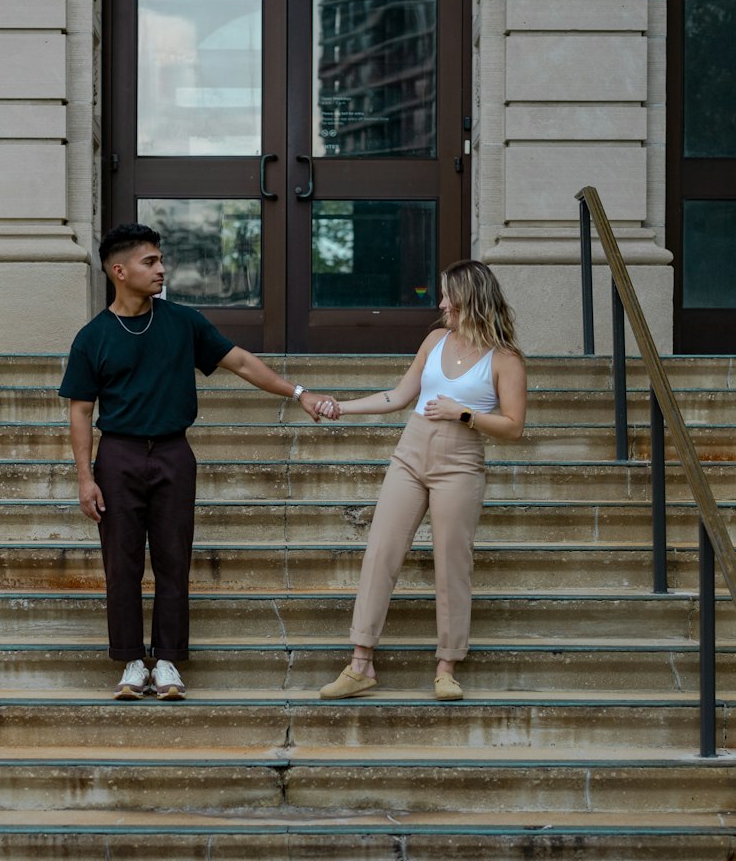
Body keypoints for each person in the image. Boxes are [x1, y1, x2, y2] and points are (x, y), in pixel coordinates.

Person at [60, 222, 339, 701]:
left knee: (173, 558)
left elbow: (243, 362)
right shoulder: (93, 337)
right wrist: (86, 478)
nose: (162, 269)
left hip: (173, 452)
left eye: (161, 260)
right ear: (119, 271)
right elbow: (81, 410)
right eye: (150, 262)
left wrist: (300, 393)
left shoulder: (183, 321)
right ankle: (131, 661)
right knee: (120, 564)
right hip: (119, 455)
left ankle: (166, 661)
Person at [315, 260, 527, 702]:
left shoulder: (505, 360)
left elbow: (514, 426)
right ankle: (360, 664)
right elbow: (398, 396)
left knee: (452, 563)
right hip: (410, 454)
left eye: (449, 294)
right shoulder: (435, 340)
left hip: (460, 463)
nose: (442, 302)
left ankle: (446, 666)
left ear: (471, 297)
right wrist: (340, 407)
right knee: (381, 551)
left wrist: (463, 413)